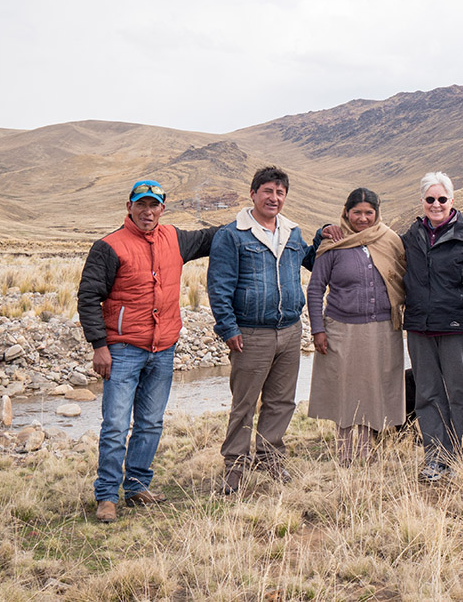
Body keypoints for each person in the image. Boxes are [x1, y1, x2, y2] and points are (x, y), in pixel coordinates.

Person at [78, 180, 218, 523]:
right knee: (115, 424)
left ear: (162, 209)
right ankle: (107, 496)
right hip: (123, 350)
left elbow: (213, 236)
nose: (148, 211)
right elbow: (88, 297)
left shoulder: (175, 239)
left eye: (154, 205)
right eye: (141, 204)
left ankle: (138, 486)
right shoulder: (109, 247)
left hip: (163, 348)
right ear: (129, 207)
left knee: (150, 423)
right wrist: (100, 346)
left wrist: (254, 216)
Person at [207, 166, 318, 494]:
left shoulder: (293, 232)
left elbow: (312, 260)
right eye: (267, 191)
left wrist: (326, 236)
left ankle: (271, 459)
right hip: (250, 333)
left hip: (290, 329)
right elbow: (219, 285)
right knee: (244, 402)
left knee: (281, 401)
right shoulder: (232, 235)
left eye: (280, 192)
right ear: (253, 193)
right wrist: (227, 328)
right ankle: (235, 467)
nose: (274, 198)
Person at [401, 172, 463, 482]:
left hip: (459, 326)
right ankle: (435, 457)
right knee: (428, 394)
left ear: (452, 201)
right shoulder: (410, 237)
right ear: (422, 201)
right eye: (430, 199)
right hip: (420, 326)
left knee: (460, 393)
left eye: (442, 199)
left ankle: (460, 457)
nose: (436, 204)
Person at [307, 188, 406, 465]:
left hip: (384, 328)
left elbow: (404, 277)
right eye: (357, 212)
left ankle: (367, 449)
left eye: (368, 213)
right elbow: (315, 289)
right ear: (346, 212)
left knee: (373, 387)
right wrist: (318, 329)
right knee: (345, 389)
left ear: (377, 213)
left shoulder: (390, 240)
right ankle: (346, 452)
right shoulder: (333, 242)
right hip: (342, 328)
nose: (362, 218)